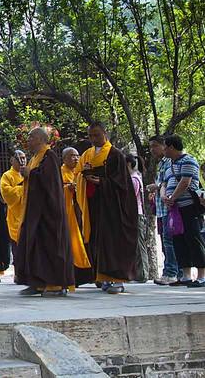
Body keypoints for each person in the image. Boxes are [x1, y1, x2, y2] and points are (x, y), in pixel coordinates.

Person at [75, 122, 137, 294]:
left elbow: (122, 184)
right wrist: (85, 175)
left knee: (112, 242)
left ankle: (118, 280)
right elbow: (78, 174)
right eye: (90, 136)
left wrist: (101, 181)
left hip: (112, 207)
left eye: (97, 135)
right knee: (97, 241)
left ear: (105, 133)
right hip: (94, 206)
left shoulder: (115, 154)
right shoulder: (87, 154)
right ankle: (103, 278)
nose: (93, 139)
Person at [14, 128, 74, 297]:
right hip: (34, 211)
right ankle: (37, 282)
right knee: (34, 246)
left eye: (31, 137)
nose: (29, 140)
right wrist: (28, 174)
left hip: (48, 212)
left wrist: (30, 174)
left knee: (48, 246)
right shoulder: (35, 158)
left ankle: (55, 284)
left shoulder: (50, 157)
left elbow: (50, 182)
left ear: (40, 139)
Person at [162, 135, 205, 288]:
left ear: (171, 147)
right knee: (178, 241)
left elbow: (185, 182)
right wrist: (164, 196)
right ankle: (186, 275)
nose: (164, 150)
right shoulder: (168, 164)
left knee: (194, 239)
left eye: (165, 147)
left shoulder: (189, 160)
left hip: (189, 207)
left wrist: (172, 197)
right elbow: (164, 183)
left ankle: (201, 275)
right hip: (175, 210)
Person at [147, 136, 182, 285]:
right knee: (165, 240)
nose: (152, 150)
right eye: (150, 147)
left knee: (169, 241)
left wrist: (157, 187)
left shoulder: (169, 162)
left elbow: (168, 181)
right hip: (161, 208)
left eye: (155, 146)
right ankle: (173, 271)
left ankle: (171, 272)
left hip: (169, 207)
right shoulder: (161, 163)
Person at [60, 148, 92, 284]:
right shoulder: (60, 172)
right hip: (68, 213)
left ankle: (86, 276)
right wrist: (68, 189)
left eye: (78, 156)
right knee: (72, 243)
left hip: (80, 211)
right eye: (72, 156)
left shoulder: (78, 173)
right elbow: (56, 190)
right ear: (64, 159)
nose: (76, 159)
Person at [0, 150, 25, 269]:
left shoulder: (28, 173)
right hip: (15, 215)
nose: (22, 161)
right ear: (12, 160)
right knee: (16, 245)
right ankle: (19, 273)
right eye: (19, 158)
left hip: (28, 213)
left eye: (24, 158)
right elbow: (6, 193)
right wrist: (21, 188)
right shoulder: (7, 176)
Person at [126, 154, 149, 283]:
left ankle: (143, 274)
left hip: (137, 215)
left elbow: (130, 198)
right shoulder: (133, 178)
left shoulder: (134, 179)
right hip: (134, 215)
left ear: (128, 164)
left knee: (140, 245)